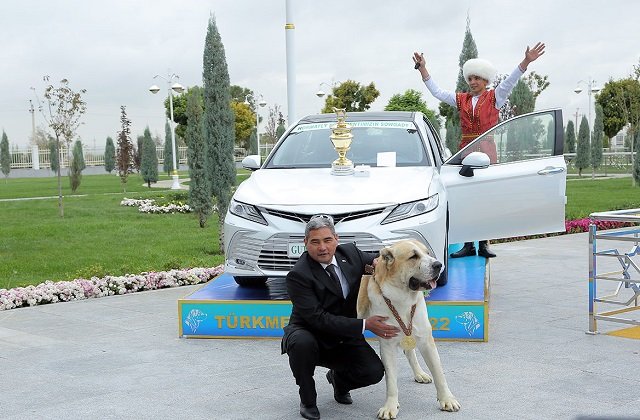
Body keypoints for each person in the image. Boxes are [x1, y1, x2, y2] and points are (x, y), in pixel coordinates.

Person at [412, 42, 546, 259]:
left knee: (486, 196)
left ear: (486, 80)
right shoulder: (461, 99)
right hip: (466, 150)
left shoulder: (496, 96)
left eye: (477, 78)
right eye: (470, 78)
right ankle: (467, 245)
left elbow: (511, 80)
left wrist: (526, 62)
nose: (473, 82)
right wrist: (423, 69)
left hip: (487, 151)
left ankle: (483, 244)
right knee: (465, 195)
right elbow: (436, 91)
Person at [281, 214, 400, 420]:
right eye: (315, 242)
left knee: (373, 372)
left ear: (336, 239)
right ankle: (308, 400)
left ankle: (339, 381)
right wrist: (365, 324)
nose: (322, 247)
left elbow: (376, 259)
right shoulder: (298, 275)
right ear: (305, 243)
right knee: (302, 343)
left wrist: (387, 261)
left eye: (327, 240)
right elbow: (319, 319)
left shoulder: (351, 253)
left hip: (344, 336)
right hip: (310, 334)